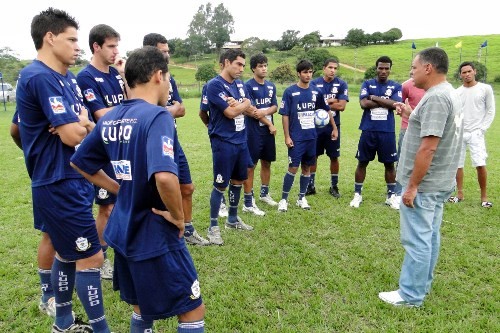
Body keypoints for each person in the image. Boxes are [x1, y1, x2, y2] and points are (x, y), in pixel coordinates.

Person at [71, 46, 206, 332]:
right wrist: (179, 216)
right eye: (169, 77)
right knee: (192, 308)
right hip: (154, 231)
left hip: (122, 230)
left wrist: (120, 188)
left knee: (142, 307)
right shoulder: (158, 117)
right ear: (159, 75)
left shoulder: (110, 117)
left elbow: (81, 162)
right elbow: (166, 178)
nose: (169, 84)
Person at [17, 8, 111, 332]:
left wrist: (79, 124)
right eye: (71, 39)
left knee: (70, 254)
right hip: (59, 180)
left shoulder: (66, 79)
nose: (77, 46)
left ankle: (63, 323)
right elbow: (73, 134)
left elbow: (81, 125)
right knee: (92, 258)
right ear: (50, 37)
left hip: (71, 176)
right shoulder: (39, 76)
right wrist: (74, 128)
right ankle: (100, 328)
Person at [379, 47, 463, 307]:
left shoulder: (437, 98)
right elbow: (431, 126)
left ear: (428, 68)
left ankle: (411, 295)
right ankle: (421, 285)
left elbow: (428, 147)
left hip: (425, 185)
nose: (411, 73)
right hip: (440, 182)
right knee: (429, 236)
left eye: (414, 68)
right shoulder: (447, 93)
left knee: (417, 239)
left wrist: (412, 186)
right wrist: (409, 114)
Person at [143, 33, 209, 245]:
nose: (168, 55)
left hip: (173, 139)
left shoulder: (168, 77)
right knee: (156, 192)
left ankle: (187, 229)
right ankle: (158, 234)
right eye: (163, 51)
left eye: (168, 51)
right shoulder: (140, 77)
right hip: (152, 141)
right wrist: (164, 110)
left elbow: (181, 109)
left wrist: (161, 110)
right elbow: (144, 110)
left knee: (187, 187)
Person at [76, 23, 126, 279]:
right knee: (106, 207)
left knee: (120, 204)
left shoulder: (116, 75)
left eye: (117, 45)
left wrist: (125, 76)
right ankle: (101, 257)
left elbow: (132, 101)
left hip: (121, 149)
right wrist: (127, 114)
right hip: (102, 151)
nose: (116, 50)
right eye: (111, 46)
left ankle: (119, 252)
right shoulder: (85, 77)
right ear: (96, 46)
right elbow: (101, 115)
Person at [205, 49, 255, 245]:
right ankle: (213, 227)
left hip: (241, 140)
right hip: (223, 142)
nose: (242, 69)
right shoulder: (214, 85)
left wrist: (241, 104)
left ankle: (232, 219)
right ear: (227, 62)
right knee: (220, 184)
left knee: (238, 180)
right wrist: (241, 106)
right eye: (239, 64)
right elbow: (230, 113)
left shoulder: (240, 85)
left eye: (243, 65)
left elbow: (248, 107)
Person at [11, 112, 57, 318]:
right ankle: (48, 295)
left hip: (76, 172)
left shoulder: (69, 85)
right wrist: (33, 152)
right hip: (49, 174)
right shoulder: (38, 83)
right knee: (51, 234)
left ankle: (62, 286)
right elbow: (15, 130)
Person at [277, 60, 338, 212]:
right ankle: (283, 200)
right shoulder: (290, 92)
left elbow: (326, 110)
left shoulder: (316, 91)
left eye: (310, 72)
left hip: (312, 137)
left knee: (307, 168)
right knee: (293, 167)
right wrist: (287, 136)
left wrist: (334, 127)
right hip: (296, 138)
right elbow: (284, 115)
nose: (308, 75)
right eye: (305, 72)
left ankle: (301, 198)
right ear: (299, 73)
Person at [350, 56, 402, 209]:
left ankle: (391, 196)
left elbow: (395, 104)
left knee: (389, 164)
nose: (383, 71)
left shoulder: (396, 86)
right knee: (362, 162)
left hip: (387, 131)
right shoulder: (367, 83)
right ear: (376, 68)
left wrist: (374, 97)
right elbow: (364, 103)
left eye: (386, 68)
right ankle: (357, 194)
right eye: (381, 68)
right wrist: (385, 100)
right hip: (368, 129)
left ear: (390, 70)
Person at [448, 61, 495, 207]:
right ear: (460, 75)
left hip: (476, 133)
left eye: (469, 71)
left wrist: (482, 129)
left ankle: (484, 197)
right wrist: (456, 129)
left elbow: (490, 110)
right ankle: (459, 194)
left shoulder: (485, 89)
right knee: (457, 164)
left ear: (474, 71)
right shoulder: (457, 92)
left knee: (480, 164)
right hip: (460, 132)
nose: (467, 74)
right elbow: (454, 113)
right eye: (464, 72)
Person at [242, 53, 278, 215]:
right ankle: (248, 199)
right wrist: (269, 123)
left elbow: (275, 106)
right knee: (251, 165)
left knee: (267, 162)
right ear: (253, 69)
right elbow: (252, 112)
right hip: (254, 131)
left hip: (268, 132)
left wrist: (266, 111)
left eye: (265, 65)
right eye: (260, 66)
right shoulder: (247, 86)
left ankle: (264, 193)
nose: (264, 69)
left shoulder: (271, 86)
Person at [308, 58, 349, 198]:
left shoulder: (341, 84)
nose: (333, 70)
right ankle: (310, 185)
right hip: (316, 127)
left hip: (334, 127)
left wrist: (324, 102)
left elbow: (342, 106)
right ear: (324, 68)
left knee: (334, 157)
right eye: (330, 67)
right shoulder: (314, 83)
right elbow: (311, 104)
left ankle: (334, 186)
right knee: (313, 156)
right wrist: (332, 100)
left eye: (335, 68)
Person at [394, 74, 425, 206]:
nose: (413, 72)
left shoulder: (434, 87)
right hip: (407, 128)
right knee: (402, 160)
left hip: (429, 130)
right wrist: (399, 108)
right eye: (412, 68)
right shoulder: (406, 85)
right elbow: (399, 103)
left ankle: (422, 191)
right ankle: (397, 193)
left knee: (425, 159)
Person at [200, 79, 229, 218]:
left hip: (236, 133)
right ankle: (221, 202)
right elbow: (202, 112)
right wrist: (210, 126)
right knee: (220, 167)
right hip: (219, 135)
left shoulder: (237, 84)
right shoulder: (210, 86)